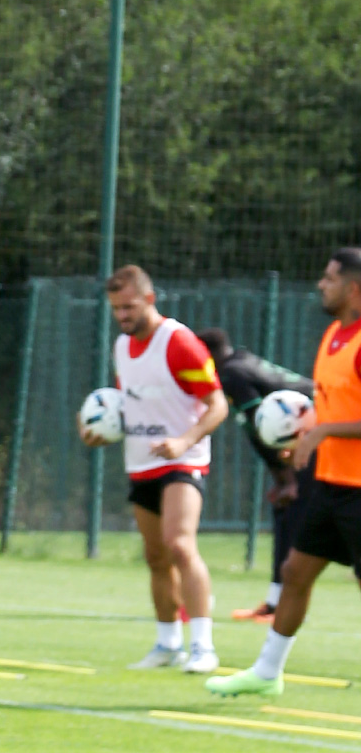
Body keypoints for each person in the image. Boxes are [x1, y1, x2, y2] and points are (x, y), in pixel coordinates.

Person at [208, 249, 361, 699]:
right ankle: (267, 672)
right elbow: (334, 407)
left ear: (353, 288)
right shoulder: (334, 334)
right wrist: (305, 432)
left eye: (329, 278)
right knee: (295, 572)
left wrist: (326, 431)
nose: (320, 284)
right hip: (332, 485)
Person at [80, 265, 228, 673]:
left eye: (128, 306)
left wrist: (183, 441)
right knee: (155, 556)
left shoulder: (180, 342)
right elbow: (123, 403)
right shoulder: (122, 346)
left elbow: (217, 404)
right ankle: (168, 644)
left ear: (150, 299)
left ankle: (203, 646)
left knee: (180, 544)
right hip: (142, 464)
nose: (123, 316)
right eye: (115, 309)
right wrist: (94, 424)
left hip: (184, 460)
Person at [195, 326, 313, 622]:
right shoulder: (241, 362)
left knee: (297, 512)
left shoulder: (232, 374)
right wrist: (281, 476)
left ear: (207, 354)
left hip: (317, 431)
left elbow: (261, 427)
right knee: (286, 511)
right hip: (306, 433)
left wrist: (287, 478)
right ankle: (275, 604)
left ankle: (281, 605)